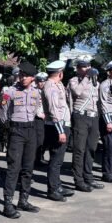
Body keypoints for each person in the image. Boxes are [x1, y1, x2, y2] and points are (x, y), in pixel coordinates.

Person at [0, 62, 45, 216]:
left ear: (32, 78)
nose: (23, 78)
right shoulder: (9, 92)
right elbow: (3, 112)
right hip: (16, 130)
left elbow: (37, 108)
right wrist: (8, 130)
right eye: (21, 75)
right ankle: (7, 204)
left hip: (31, 130)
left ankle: (23, 200)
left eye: (27, 76)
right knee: (14, 168)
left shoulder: (36, 92)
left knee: (28, 167)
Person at [67, 57, 104, 191]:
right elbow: (77, 92)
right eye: (83, 66)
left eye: (88, 65)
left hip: (93, 118)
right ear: (77, 69)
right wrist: (87, 78)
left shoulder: (96, 83)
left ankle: (88, 177)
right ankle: (79, 180)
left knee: (91, 148)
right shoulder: (74, 81)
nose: (87, 68)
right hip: (80, 117)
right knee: (79, 150)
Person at [42, 60, 75, 198]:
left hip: (61, 125)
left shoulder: (57, 84)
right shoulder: (50, 87)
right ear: (60, 73)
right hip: (56, 127)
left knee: (59, 159)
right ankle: (53, 190)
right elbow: (54, 110)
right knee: (55, 160)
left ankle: (57, 185)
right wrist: (60, 130)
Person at [34, 71, 48, 165]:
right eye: (39, 81)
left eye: (43, 81)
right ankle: (37, 158)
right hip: (38, 118)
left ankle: (41, 155)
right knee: (39, 140)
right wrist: (39, 113)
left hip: (48, 118)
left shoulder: (48, 90)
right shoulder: (34, 91)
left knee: (46, 140)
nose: (41, 83)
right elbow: (33, 105)